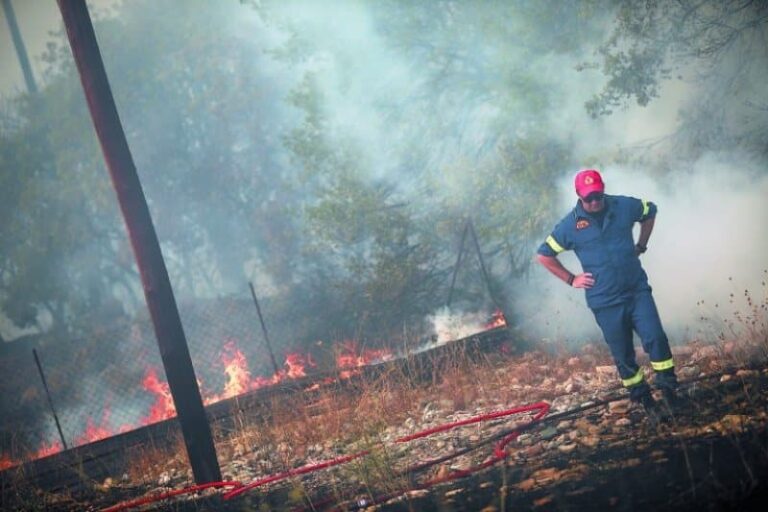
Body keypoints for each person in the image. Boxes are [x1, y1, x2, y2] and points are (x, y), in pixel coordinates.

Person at [536, 169, 680, 418]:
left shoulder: (622, 205)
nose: (594, 202)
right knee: (623, 354)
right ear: (579, 197)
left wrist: (641, 245)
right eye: (588, 198)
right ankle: (645, 402)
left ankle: (669, 392)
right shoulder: (570, 226)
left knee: (655, 337)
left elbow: (650, 211)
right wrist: (572, 279)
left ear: (603, 190)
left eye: (597, 196)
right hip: (604, 301)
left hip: (636, 290)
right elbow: (544, 255)